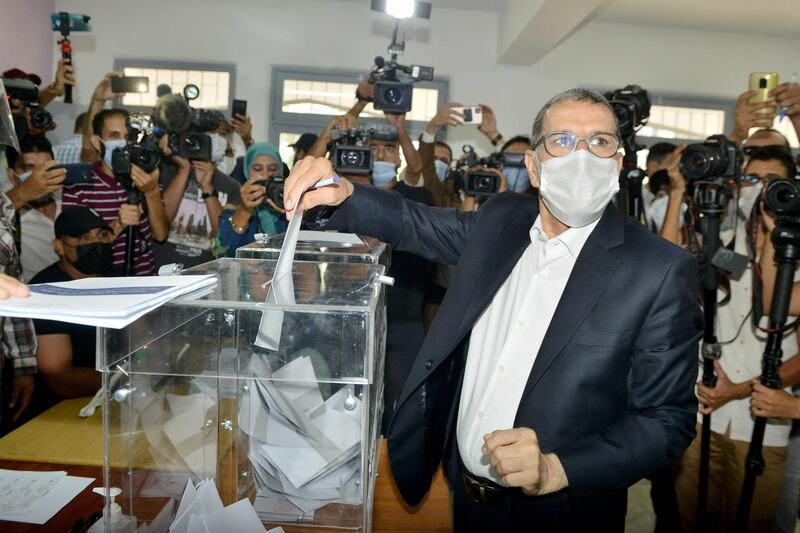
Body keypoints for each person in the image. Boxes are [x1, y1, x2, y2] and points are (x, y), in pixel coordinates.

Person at [284, 88, 703, 530]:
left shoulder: (658, 270)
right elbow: (414, 223)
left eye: (599, 142)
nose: (582, 157)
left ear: (618, 164)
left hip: (561, 514)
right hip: (465, 496)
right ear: (534, 168)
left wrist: (556, 470)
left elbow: (666, 421)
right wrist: (344, 191)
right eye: (562, 140)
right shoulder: (502, 219)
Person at [665, 146, 800, 532]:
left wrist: (738, 390)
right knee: (689, 518)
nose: (760, 190)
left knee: (751, 521)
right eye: (752, 179)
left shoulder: (795, 250)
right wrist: (678, 192)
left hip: (759, 420)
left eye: (772, 181)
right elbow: (667, 264)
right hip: (702, 412)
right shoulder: (720, 240)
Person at [27, 207, 117, 417]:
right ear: (59, 246)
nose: (95, 243)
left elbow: (143, 340)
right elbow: (60, 379)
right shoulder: (46, 290)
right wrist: (124, 378)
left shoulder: (118, 277)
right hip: (61, 411)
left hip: (114, 398)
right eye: (84, 237)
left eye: (102, 235)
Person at [63, 108, 169, 275]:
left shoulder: (146, 178)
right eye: (114, 135)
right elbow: (75, 249)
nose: (122, 143)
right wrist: (118, 225)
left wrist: (151, 192)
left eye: (128, 137)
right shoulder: (79, 185)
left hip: (143, 281)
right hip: (100, 282)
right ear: (97, 142)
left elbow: (161, 235)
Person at [155, 137, 240, 268]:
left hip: (209, 275)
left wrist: (207, 187)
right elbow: (159, 226)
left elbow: (224, 238)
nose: (212, 138)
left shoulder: (232, 187)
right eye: (206, 134)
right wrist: (184, 170)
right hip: (164, 271)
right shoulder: (167, 171)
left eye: (220, 133)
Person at [5, 136, 65, 281]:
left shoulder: (71, 200)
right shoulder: (9, 215)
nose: (39, 176)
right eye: (29, 168)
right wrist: (23, 193)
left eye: (47, 168)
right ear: (12, 176)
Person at [215, 142, 287, 257]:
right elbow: (220, 252)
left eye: (272, 169)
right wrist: (244, 211)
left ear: (281, 173)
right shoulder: (233, 212)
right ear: (246, 172)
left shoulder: (287, 212)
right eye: (257, 169)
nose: (265, 175)